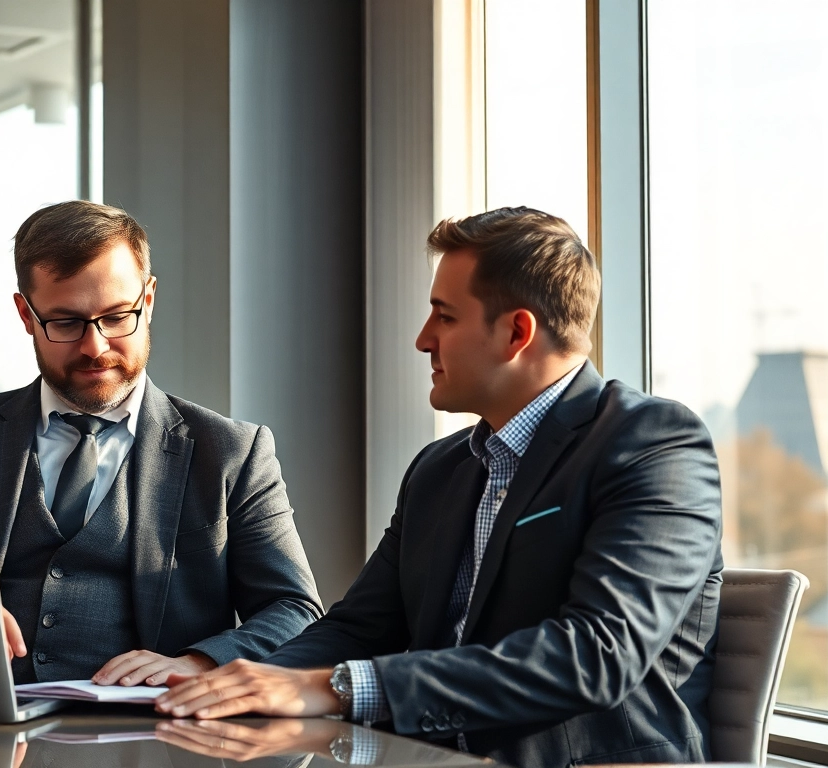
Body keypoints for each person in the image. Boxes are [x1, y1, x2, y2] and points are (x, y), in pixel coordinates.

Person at [155, 207, 723, 766]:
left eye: (445, 317)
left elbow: (597, 655)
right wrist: (231, 684)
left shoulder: (653, 444)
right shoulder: (438, 469)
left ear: (517, 332)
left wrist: (340, 688)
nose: (423, 340)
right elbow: (359, 629)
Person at [0, 200, 323, 686]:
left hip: (152, 742)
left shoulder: (233, 454)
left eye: (116, 316)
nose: (95, 346)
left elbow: (294, 609)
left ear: (148, 301)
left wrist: (198, 664)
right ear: (25, 314)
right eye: (65, 323)